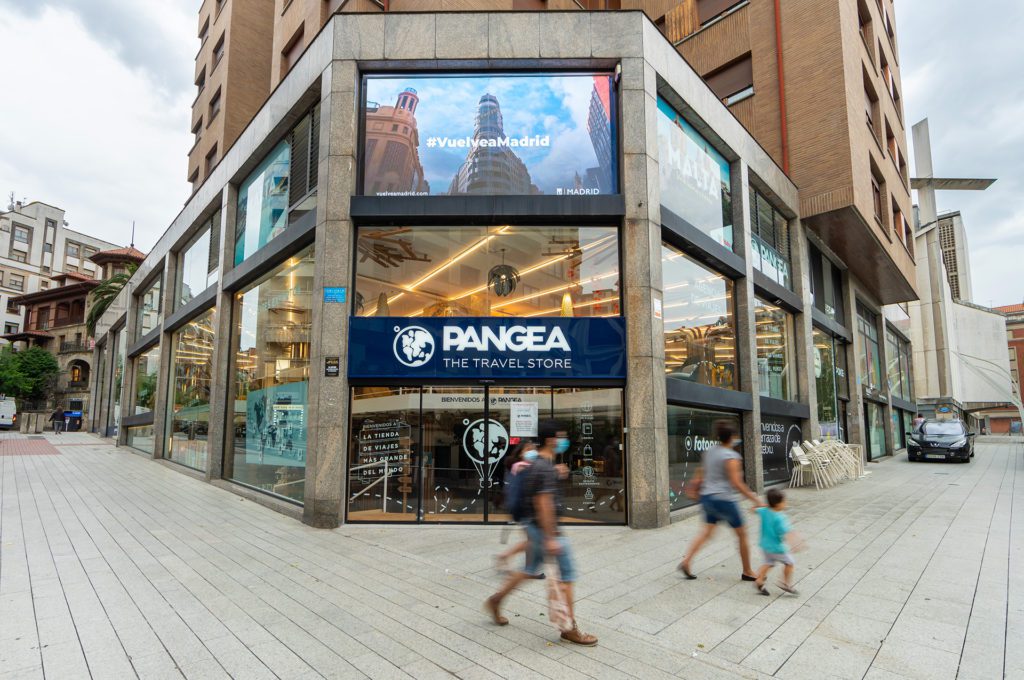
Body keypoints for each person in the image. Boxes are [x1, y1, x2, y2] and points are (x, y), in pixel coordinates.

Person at [485, 421, 597, 646]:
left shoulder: (538, 463)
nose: (564, 441)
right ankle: (569, 628)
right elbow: (543, 502)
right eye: (561, 437)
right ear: (551, 440)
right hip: (546, 529)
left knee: (529, 569)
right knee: (567, 575)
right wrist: (551, 537)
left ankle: (496, 600)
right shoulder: (544, 467)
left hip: (533, 525)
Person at [679, 421, 762, 581]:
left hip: (707, 498)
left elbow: (701, 472)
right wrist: (755, 499)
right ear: (732, 437)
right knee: (742, 534)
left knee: (707, 532)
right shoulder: (731, 456)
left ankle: (686, 561)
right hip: (724, 500)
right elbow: (737, 483)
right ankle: (747, 571)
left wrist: (693, 488)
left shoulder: (710, 451)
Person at [753, 488, 798, 596]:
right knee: (790, 563)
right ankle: (785, 583)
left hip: (765, 545)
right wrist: (796, 544)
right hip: (777, 548)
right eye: (784, 501)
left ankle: (759, 580)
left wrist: (763, 506)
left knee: (768, 563)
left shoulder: (764, 511)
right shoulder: (780, 518)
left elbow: (753, 509)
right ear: (778, 504)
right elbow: (786, 532)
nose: (785, 503)